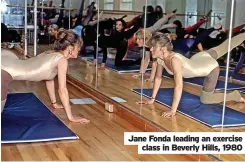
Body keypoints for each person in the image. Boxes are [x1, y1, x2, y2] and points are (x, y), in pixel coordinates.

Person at [138, 32, 245, 117]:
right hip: (199, 57)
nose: (151, 49)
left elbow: (179, 86)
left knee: (206, 100)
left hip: (210, 67)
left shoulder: (174, 60)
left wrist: (173, 110)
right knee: (225, 46)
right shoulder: (160, 58)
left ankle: (235, 95)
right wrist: (152, 99)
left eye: (154, 47)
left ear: (163, 49)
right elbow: (158, 78)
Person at [1, 30, 90, 124]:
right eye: (78, 46)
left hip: (7, 59)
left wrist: (54, 103)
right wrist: (71, 117)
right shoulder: (62, 60)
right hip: (4, 71)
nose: (79, 49)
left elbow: (49, 79)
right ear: (70, 47)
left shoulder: (51, 53)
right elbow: (62, 89)